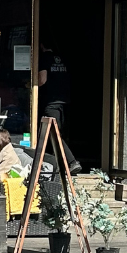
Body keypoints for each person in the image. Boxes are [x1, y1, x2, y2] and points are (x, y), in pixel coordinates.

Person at [37, 42, 82, 174]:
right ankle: (55, 165)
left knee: (53, 133)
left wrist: (30, 85)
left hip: (52, 102)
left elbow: (42, 80)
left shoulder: (44, 58)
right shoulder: (63, 58)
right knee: (56, 133)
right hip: (65, 101)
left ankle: (72, 162)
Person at [0, 127, 21, 192]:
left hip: (8, 188)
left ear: (0, 139)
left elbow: (2, 176)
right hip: (0, 185)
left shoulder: (8, 155)